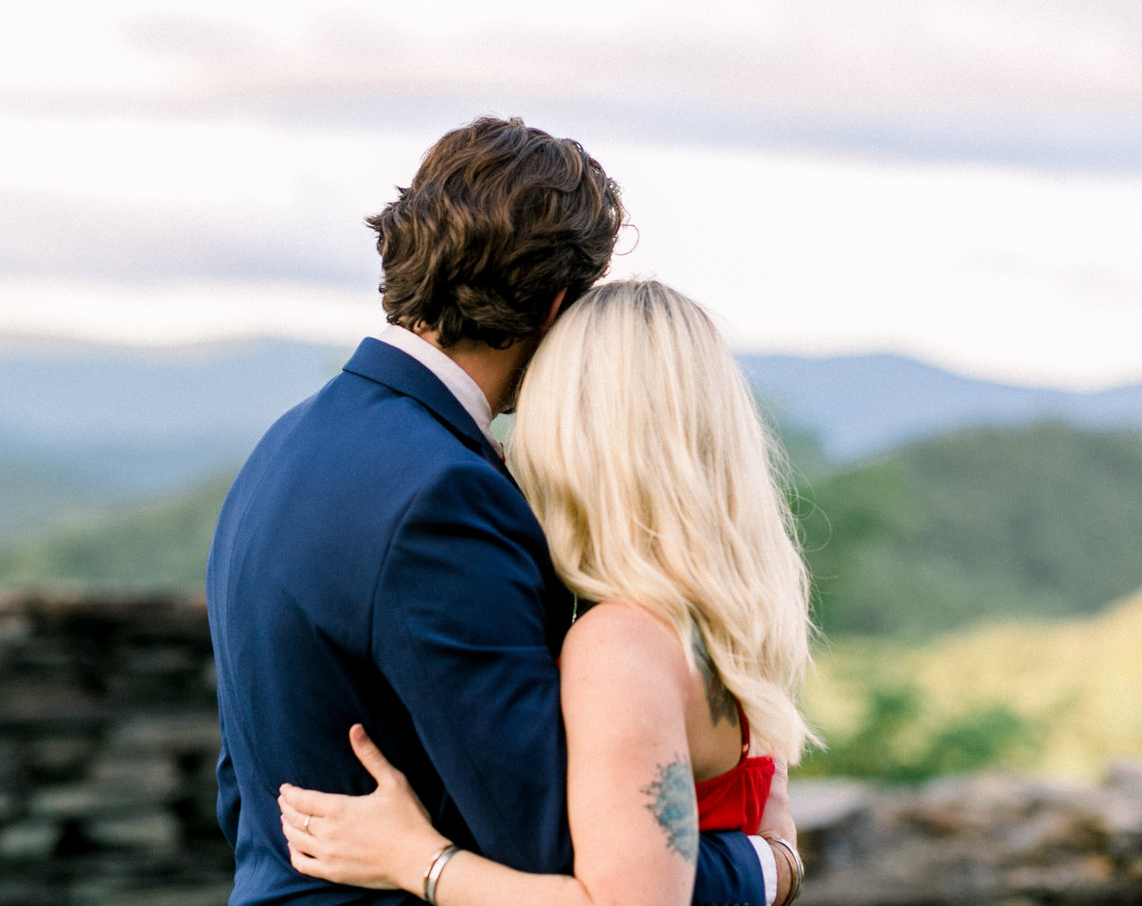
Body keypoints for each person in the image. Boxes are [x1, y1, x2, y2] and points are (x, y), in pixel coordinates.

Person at [206, 118, 785, 905]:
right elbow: (558, 848)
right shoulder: (444, 494)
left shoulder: (284, 445)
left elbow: (245, 785)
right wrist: (766, 864)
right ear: (554, 307)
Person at [275, 280, 815, 906]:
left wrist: (416, 858)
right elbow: (773, 835)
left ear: (575, 431)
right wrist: (776, 869)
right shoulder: (723, 631)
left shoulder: (621, 644)